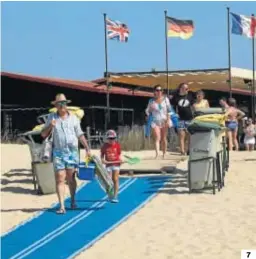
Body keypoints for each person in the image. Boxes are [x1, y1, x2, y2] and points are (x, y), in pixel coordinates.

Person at [41, 93, 91, 214]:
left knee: (71, 177)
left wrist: (87, 147)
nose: (62, 106)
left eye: (63, 103)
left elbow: (79, 134)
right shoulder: (51, 117)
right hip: (58, 151)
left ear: (66, 105)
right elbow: (43, 134)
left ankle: (73, 200)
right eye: (59, 104)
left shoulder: (73, 118)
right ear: (56, 106)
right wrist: (50, 127)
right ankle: (62, 206)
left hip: (72, 152)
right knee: (60, 178)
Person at [145, 85, 172, 158]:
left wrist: (168, 120)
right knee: (157, 138)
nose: (159, 91)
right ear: (154, 91)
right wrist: (150, 109)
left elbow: (169, 111)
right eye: (157, 90)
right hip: (155, 120)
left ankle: (164, 153)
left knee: (164, 138)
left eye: (160, 90)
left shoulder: (166, 100)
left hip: (164, 120)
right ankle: (157, 154)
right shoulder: (151, 101)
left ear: (162, 91)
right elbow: (147, 111)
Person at [171, 83, 194, 155]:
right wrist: (174, 114)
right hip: (180, 118)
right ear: (181, 88)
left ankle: (189, 150)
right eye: (185, 88)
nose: (187, 90)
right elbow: (171, 107)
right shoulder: (176, 97)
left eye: (187, 88)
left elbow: (193, 106)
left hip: (189, 118)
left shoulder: (190, 96)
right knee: (181, 135)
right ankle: (182, 151)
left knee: (189, 135)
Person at [101, 130, 121, 203]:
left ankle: (115, 196)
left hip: (116, 164)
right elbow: (102, 156)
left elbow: (118, 155)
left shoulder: (117, 145)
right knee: (108, 181)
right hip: (108, 165)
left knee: (115, 179)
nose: (111, 140)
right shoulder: (104, 146)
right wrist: (103, 160)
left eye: (113, 138)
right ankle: (110, 193)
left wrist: (120, 161)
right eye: (110, 138)